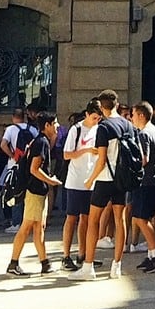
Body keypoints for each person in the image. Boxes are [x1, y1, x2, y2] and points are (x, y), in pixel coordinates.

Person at [84, 90, 134, 280]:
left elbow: (102, 159)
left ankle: (88, 266)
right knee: (120, 220)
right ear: (117, 104)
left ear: (101, 105)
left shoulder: (104, 127)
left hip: (105, 178)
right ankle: (117, 266)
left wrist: (90, 179)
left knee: (93, 220)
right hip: (122, 178)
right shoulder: (127, 124)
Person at [7, 112, 61, 276]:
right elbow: (34, 169)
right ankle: (13, 263)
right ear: (47, 125)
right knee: (27, 227)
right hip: (35, 191)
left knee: (39, 227)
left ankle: (45, 263)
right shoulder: (41, 142)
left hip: (37, 191)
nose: (57, 126)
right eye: (55, 123)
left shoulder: (39, 141)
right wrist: (51, 181)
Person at [129, 101, 155, 273]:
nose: (131, 118)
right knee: (144, 217)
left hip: (147, 181)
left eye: (132, 114)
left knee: (141, 218)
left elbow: (143, 159)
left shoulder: (144, 134)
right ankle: (152, 254)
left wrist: (130, 163)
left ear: (141, 115)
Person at [60, 103, 101, 271]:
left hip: (90, 180)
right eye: (94, 118)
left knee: (86, 218)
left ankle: (83, 254)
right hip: (76, 180)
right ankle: (66, 256)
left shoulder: (99, 129)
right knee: (72, 217)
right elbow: (66, 154)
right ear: (87, 114)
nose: (96, 121)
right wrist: (86, 151)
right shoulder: (76, 130)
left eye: (99, 118)